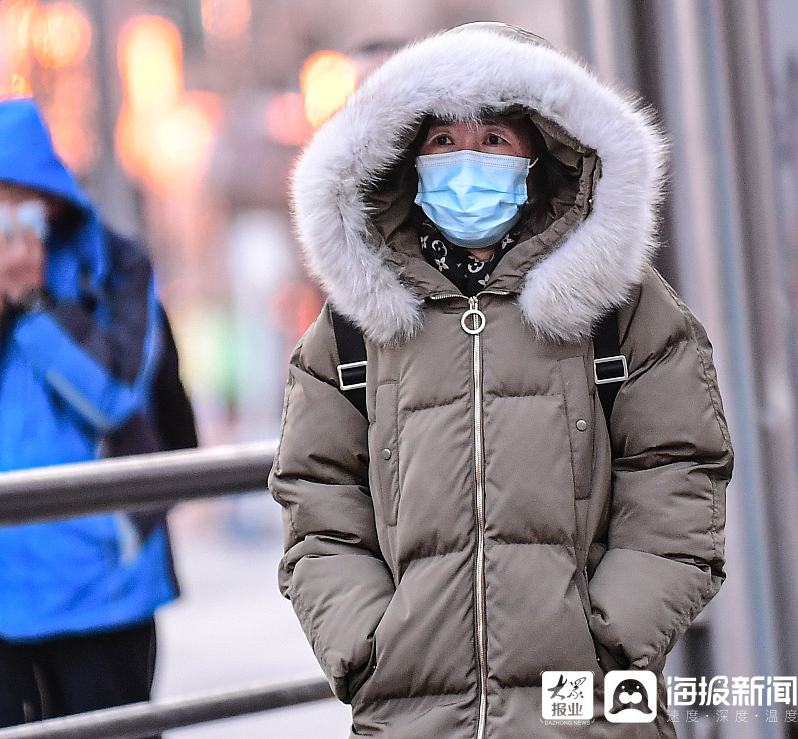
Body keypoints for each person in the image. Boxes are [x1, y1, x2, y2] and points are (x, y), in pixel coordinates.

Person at [270, 23, 732, 737]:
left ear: (540, 153)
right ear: (408, 156)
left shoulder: (620, 307)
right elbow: (317, 499)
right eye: (443, 141)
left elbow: (678, 471)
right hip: (414, 716)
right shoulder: (356, 324)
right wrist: (368, 646)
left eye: (494, 140)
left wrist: (609, 641)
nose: (466, 161)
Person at [0, 98, 197, 730]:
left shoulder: (116, 265)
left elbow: (114, 393)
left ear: (51, 199)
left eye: (13, 195)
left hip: (103, 578)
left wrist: (32, 304)